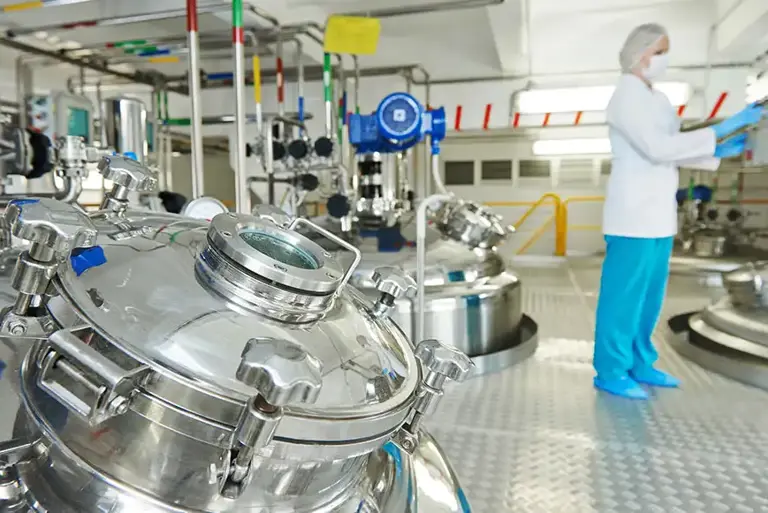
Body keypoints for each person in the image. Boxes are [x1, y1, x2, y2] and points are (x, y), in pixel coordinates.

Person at [594, 23, 764, 400]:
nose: (664, 59)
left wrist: (717, 151)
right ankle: (610, 369)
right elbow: (657, 147)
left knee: (649, 298)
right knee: (623, 298)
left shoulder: (660, 100)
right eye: (660, 51)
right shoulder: (625, 97)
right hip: (633, 215)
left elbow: (674, 145)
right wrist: (725, 128)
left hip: (657, 214)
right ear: (640, 55)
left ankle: (640, 363)